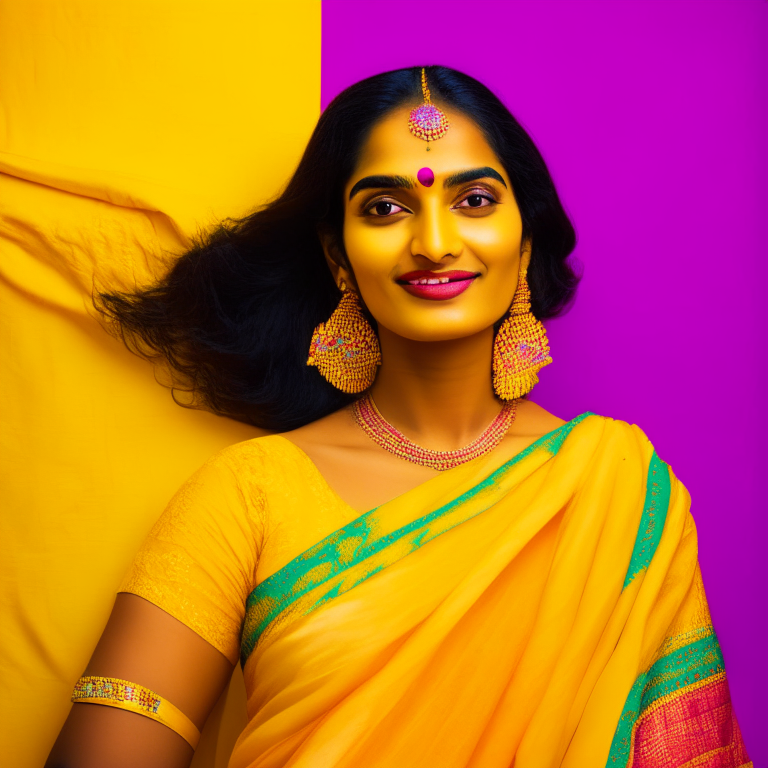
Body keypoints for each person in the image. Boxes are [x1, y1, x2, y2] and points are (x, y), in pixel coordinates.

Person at [45, 66, 752, 768]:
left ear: (525, 240)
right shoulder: (250, 495)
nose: (435, 242)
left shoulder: (619, 490)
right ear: (338, 257)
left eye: (474, 199)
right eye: (385, 208)